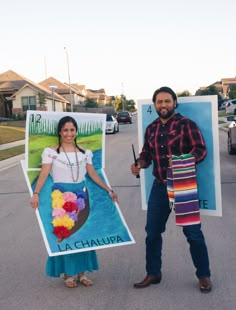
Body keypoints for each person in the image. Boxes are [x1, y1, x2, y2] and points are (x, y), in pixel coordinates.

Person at [131, 86, 212, 293]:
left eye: (167, 101)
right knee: (152, 233)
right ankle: (153, 273)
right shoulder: (151, 129)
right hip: (159, 186)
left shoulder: (186, 125)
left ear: (175, 103)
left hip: (183, 185)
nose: (163, 105)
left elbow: (200, 151)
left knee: (193, 233)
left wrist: (181, 160)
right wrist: (139, 164)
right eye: (159, 102)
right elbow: (146, 155)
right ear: (155, 105)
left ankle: (203, 275)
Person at [30, 116, 118, 288]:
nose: (69, 134)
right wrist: (36, 193)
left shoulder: (85, 153)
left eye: (72, 130)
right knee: (65, 232)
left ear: (76, 131)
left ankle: (82, 273)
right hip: (61, 197)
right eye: (65, 130)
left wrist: (109, 190)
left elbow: (92, 174)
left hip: (81, 196)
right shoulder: (51, 152)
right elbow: (43, 174)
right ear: (60, 132)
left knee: (83, 233)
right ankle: (69, 274)